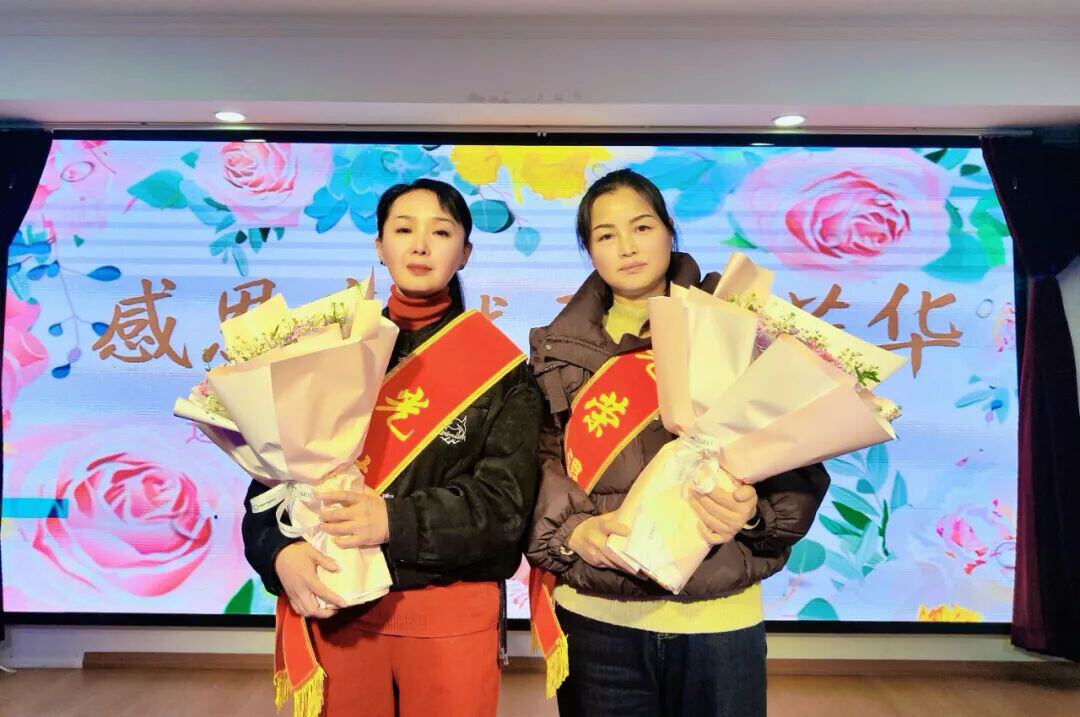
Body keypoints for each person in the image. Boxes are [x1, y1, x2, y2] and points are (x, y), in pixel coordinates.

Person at [527, 168, 831, 716]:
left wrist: (753, 515)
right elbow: (543, 462)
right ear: (589, 250)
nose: (627, 246)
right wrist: (572, 530)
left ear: (670, 231)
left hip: (718, 619)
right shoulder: (557, 349)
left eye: (642, 227)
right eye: (606, 235)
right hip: (597, 614)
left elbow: (798, 453)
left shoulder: (739, 321)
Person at [243, 178, 543, 717]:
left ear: (465, 252)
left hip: (451, 616)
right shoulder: (330, 352)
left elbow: (505, 507)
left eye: (441, 232)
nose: (420, 245)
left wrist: (393, 521)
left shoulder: (503, 373)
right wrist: (278, 554)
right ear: (380, 246)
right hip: (341, 606)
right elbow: (270, 487)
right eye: (404, 230)